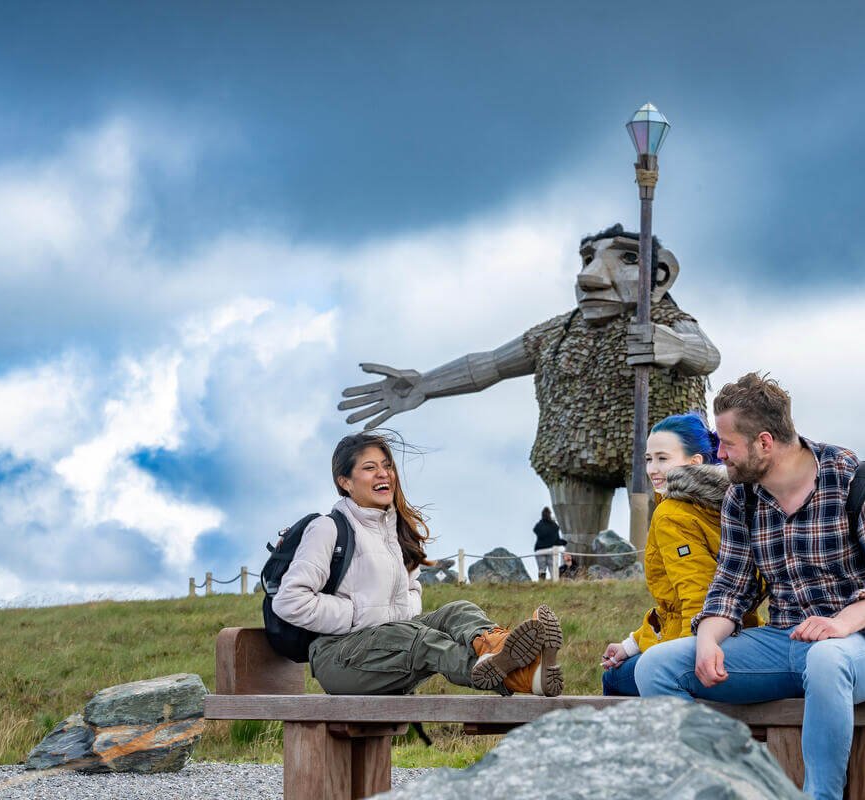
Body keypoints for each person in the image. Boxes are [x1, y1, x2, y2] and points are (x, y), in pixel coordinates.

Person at [339, 224, 721, 555]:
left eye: (624, 260)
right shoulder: (555, 334)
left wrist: (678, 347)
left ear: (660, 273)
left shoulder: (667, 322)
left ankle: (655, 569)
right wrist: (424, 384)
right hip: (572, 453)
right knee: (578, 543)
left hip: (652, 449)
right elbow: (489, 364)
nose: (590, 276)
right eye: (587, 259)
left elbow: (707, 353)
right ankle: (579, 570)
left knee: (662, 531)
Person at [634, 373, 865, 800]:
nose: (718, 453)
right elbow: (730, 584)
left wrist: (840, 623)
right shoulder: (742, 498)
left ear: (765, 442)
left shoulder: (853, 480)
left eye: (727, 444)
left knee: (826, 659)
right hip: (783, 642)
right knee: (656, 666)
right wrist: (708, 638)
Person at [272, 432, 564, 696]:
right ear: (345, 482)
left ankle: (503, 652)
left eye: (387, 466)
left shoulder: (398, 531)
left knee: (458, 610)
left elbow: (413, 592)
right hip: (339, 659)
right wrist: (360, 613)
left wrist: (393, 618)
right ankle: (521, 673)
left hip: (391, 649)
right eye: (369, 468)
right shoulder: (328, 529)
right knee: (416, 636)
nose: (383, 474)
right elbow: (289, 601)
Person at [600, 412, 762, 697]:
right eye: (649, 459)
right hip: (745, 637)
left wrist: (688, 661)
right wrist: (632, 645)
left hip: (704, 646)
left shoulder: (672, 514)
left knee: (613, 679)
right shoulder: (733, 502)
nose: (652, 469)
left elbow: (697, 598)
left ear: (695, 462)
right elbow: (673, 609)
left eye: (663, 458)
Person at [532, 507, 567, 580]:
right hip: (551, 550)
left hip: (539, 550)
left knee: (541, 569)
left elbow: (535, 530)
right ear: (550, 514)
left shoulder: (539, 525)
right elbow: (556, 541)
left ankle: (542, 583)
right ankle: (555, 583)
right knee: (552, 568)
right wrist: (564, 542)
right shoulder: (554, 526)